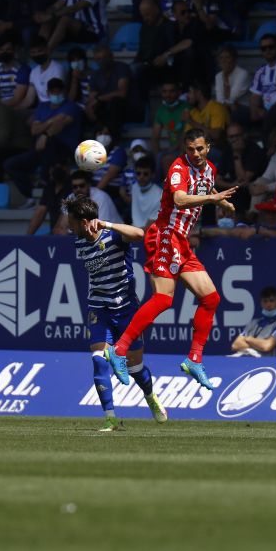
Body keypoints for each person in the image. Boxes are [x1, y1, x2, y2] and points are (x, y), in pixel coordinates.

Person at [105, 129, 237, 391]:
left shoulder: (209, 168)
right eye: (190, 149)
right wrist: (212, 199)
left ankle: (194, 360)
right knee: (164, 299)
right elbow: (179, 198)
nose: (195, 154)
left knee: (211, 298)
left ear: (208, 147)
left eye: (199, 148)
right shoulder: (179, 168)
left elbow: (205, 184)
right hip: (166, 235)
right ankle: (119, 350)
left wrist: (220, 200)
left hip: (182, 240)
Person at [65, 196, 167, 431]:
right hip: (99, 307)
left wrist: (107, 224)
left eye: (71, 221)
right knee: (99, 360)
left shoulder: (113, 236)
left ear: (82, 221)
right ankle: (110, 418)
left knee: (135, 369)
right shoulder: (79, 242)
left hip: (126, 308)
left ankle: (150, 397)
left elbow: (141, 235)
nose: (68, 226)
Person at [229, 286, 276, 357]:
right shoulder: (253, 323)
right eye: (265, 301)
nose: (268, 304)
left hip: (265, 363)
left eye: (271, 300)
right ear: (261, 303)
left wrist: (248, 339)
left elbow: (266, 346)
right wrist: (258, 345)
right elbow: (235, 345)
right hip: (244, 359)